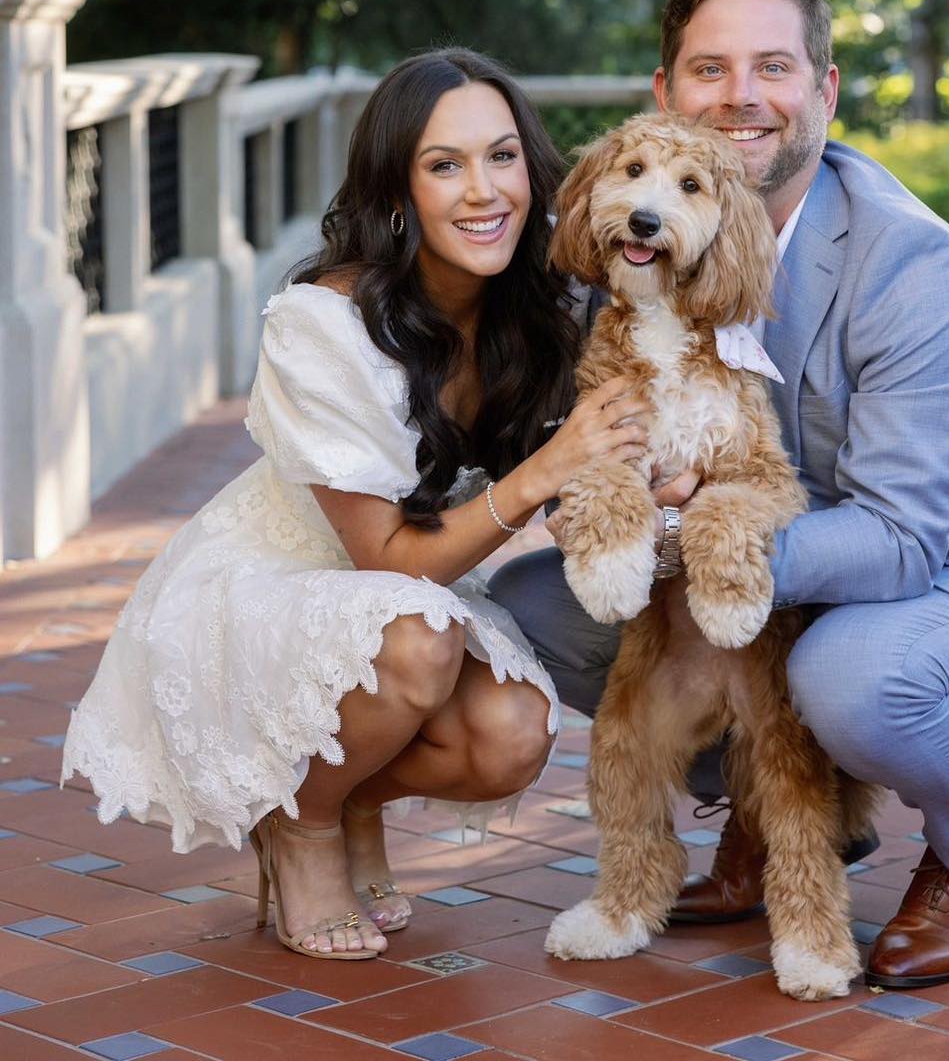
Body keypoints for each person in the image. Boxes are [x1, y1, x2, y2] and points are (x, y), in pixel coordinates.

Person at [489, 0, 949, 989]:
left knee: (845, 677)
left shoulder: (907, 265)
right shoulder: (645, 242)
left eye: (773, 67)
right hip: (784, 556)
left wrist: (677, 534)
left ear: (823, 90)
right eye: (708, 69)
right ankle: (765, 809)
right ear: (664, 96)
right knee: (541, 600)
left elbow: (898, 539)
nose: (740, 95)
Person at [62, 48, 651, 962]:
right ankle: (299, 822)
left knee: (509, 739)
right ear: (396, 190)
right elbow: (387, 561)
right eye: (443, 165)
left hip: (415, 584)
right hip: (280, 579)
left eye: (501, 157)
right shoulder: (323, 323)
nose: (483, 191)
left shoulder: (546, 304)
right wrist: (538, 478)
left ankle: (349, 794)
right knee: (419, 634)